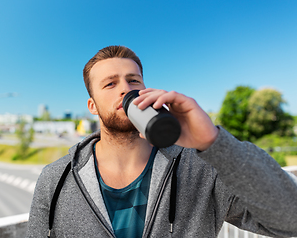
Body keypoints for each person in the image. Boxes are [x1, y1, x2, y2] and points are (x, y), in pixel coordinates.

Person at [26, 46, 297, 238]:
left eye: (133, 80)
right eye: (110, 84)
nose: (125, 89)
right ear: (92, 106)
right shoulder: (55, 179)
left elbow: (291, 220)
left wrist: (214, 142)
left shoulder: (202, 167)